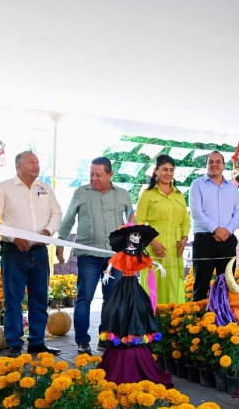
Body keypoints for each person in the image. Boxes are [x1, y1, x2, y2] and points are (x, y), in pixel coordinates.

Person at [56, 157, 132, 354]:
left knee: (111, 299)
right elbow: (68, 219)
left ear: (110, 174)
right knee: (84, 298)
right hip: (88, 254)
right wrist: (60, 243)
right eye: (91, 174)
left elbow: (132, 223)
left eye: (99, 175)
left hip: (115, 256)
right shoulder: (81, 193)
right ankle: (82, 340)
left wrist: (133, 249)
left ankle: (105, 338)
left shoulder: (123, 195)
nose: (94, 178)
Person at [0, 151, 62, 357]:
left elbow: (56, 213)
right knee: (13, 299)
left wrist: (48, 232)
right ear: (18, 166)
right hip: (14, 251)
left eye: (38, 162)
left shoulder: (45, 188)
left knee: (40, 298)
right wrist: (14, 237)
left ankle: (37, 342)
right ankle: (14, 343)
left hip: (39, 251)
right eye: (31, 162)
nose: (36, 166)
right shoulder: (4, 188)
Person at [96, 222, 172, 387]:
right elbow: (113, 261)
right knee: (118, 309)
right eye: (134, 235)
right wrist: (107, 273)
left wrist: (159, 265)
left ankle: (134, 334)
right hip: (123, 284)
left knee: (139, 308)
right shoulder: (123, 253)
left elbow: (148, 261)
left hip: (134, 285)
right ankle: (122, 335)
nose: (136, 238)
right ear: (127, 237)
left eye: (138, 235)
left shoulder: (138, 254)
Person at [189, 151, 239, 301]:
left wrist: (227, 231)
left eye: (218, 161)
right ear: (206, 165)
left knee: (226, 284)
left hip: (227, 240)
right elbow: (196, 212)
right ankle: (198, 321)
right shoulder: (197, 184)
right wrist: (216, 229)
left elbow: (238, 212)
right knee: (201, 284)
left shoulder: (232, 187)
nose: (214, 164)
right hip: (204, 240)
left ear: (224, 165)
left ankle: (225, 320)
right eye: (210, 162)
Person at [137, 154, 190, 304]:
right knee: (154, 282)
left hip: (175, 247)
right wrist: (153, 242)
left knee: (173, 282)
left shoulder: (179, 195)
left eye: (171, 170)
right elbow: (139, 222)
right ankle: (152, 323)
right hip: (153, 245)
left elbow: (186, 219)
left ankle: (172, 322)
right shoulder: (147, 194)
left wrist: (185, 238)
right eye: (164, 169)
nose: (168, 173)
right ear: (156, 171)